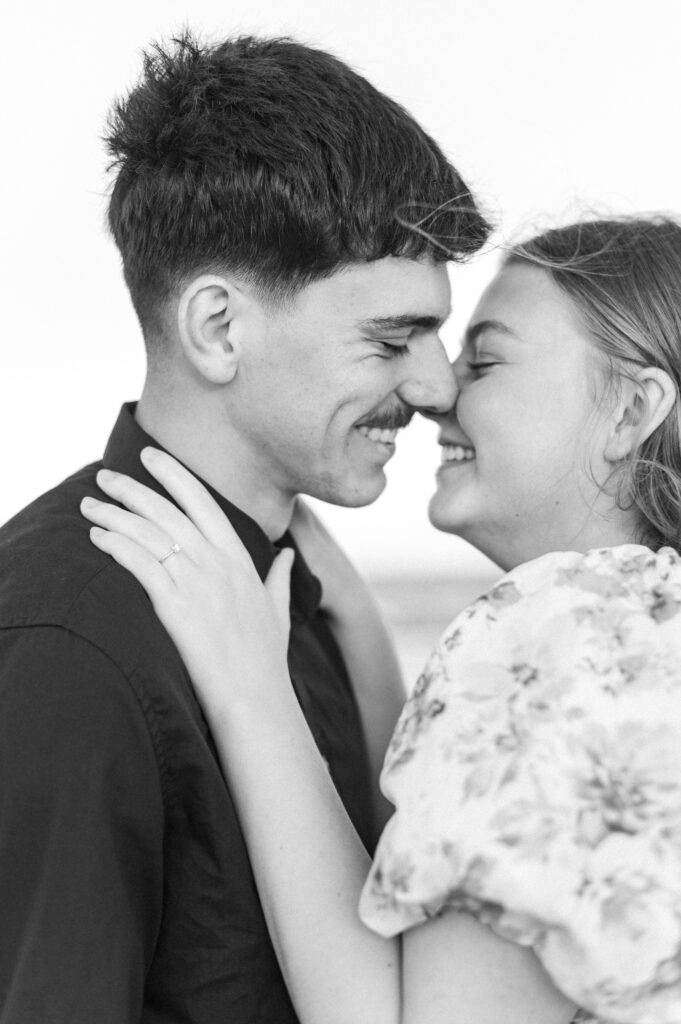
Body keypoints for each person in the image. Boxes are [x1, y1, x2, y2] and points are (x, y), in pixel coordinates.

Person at [0, 30, 490, 1024]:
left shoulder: (310, 595)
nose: (437, 385)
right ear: (219, 328)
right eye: (391, 337)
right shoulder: (68, 643)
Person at [84, 215, 681, 1024]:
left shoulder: (555, 630)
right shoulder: (642, 632)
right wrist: (358, 634)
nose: (438, 393)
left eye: (487, 359)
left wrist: (251, 687)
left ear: (630, 410)